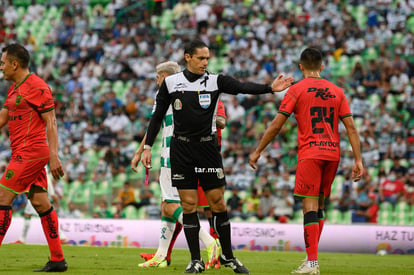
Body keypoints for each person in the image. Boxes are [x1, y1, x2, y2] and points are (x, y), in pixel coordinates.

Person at [142, 40, 293, 274]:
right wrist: (146, 148)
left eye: (207, 58)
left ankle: (228, 256)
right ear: (187, 57)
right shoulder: (171, 83)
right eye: (201, 58)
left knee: (218, 203)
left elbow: (242, 86)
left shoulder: (215, 81)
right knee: (189, 206)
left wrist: (269, 88)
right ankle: (195, 260)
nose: (205, 62)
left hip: (207, 150)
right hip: (180, 150)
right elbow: (157, 117)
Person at [249, 48, 363, 275]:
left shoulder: (297, 89)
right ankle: (311, 259)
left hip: (311, 153)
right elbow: (350, 126)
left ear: (301, 67)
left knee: (308, 207)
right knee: (319, 206)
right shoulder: (337, 91)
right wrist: (358, 159)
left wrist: (258, 150)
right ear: (322, 66)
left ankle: (312, 264)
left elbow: (277, 124)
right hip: (333, 154)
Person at [131, 61, 220, 269]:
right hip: (186, 153)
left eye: (157, 77)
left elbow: (154, 124)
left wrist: (140, 151)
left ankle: (209, 241)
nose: (156, 81)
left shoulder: (165, 92)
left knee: (172, 205)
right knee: (166, 205)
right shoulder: (189, 91)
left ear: (164, 76)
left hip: (172, 154)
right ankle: (161, 255)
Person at [0, 43, 67, 272]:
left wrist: (54, 155)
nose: (1, 67)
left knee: (2, 196)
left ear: (14, 64)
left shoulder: (37, 86)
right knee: (40, 203)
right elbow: (4, 116)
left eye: (3, 63)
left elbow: (51, 121)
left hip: (30, 153)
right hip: (22, 153)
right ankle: (58, 259)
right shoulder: (14, 88)